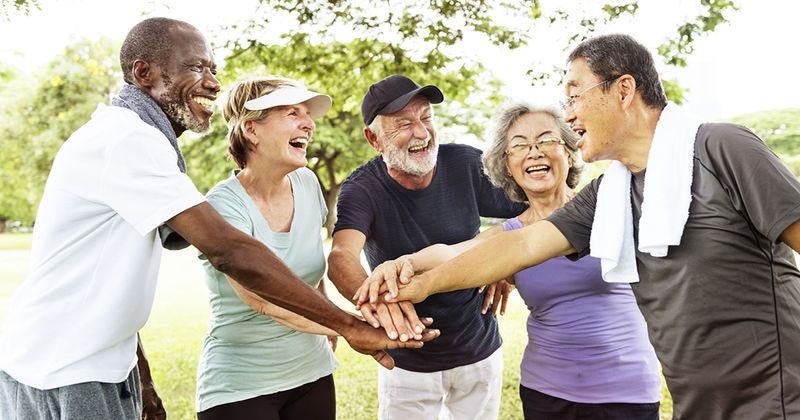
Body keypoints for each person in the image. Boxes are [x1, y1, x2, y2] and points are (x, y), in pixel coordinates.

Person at [0, 18, 436, 420]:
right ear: (144, 73)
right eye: (196, 67)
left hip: (103, 363)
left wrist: (142, 380)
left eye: (213, 68)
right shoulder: (126, 139)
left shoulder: (141, 141)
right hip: (63, 368)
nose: (213, 81)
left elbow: (109, 278)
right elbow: (230, 252)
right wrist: (347, 325)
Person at [361, 34, 800, 420]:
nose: (569, 114)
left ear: (623, 89)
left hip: (776, 398)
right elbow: (519, 245)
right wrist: (415, 283)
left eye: (574, 96)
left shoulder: (722, 147)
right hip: (697, 403)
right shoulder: (612, 194)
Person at [360, 103, 662, 419]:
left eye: (546, 140)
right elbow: (453, 253)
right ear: (507, 166)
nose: (534, 152)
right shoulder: (509, 235)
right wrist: (403, 262)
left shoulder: (609, 208)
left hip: (626, 390)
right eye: (519, 146)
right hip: (547, 392)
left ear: (569, 153)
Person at [327, 74, 526, 420]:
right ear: (374, 139)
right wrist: (374, 302)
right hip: (406, 360)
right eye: (403, 124)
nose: (421, 132)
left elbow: (536, 209)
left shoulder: (465, 163)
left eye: (425, 118)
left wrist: (504, 265)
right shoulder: (361, 188)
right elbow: (342, 254)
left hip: (478, 350)